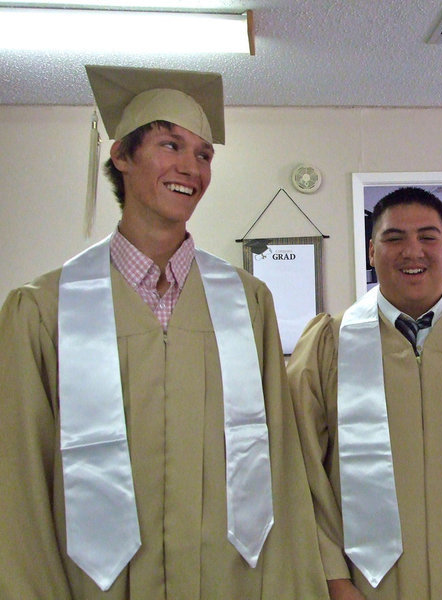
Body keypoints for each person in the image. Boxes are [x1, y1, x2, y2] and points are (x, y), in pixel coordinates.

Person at [0, 65, 327, 599]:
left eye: (204, 154)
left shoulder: (246, 303)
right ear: (121, 156)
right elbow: (17, 482)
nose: (191, 168)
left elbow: (281, 465)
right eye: (170, 145)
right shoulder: (45, 309)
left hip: (230, 582)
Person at [287, 187, 442, 599]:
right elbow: (298, 468)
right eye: (394, 238)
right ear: (372, 252)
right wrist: (333, 578)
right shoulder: (328, 347)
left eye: (427, 237)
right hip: (364, 585)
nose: (412, 251)